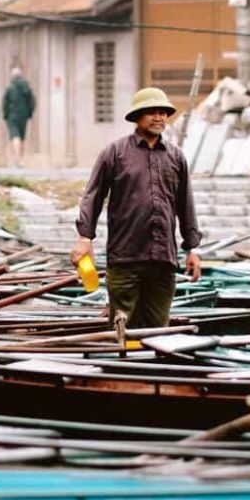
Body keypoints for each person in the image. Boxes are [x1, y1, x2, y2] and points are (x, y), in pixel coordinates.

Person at [71, 85, 201, 330]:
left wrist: (191, 249)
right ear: (136, 117)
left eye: (163, 112)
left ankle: (151, 368)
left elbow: (186, 205)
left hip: (163, 260)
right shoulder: (115, 153)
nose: (158, 117)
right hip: (125, 258)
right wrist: (84, 238)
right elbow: (93, 196)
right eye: (151, 112)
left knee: (158, 331)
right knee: (123, 329)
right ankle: (122, 366)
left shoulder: (175, 157)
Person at [1, 65, 36, 163]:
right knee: (22, 137)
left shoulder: (10, 88)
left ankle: (17, 159)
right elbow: (32, 101)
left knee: (15, 136)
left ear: (12, 76)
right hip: (24, 116)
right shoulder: (27, 87)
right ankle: (21, 159)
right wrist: (29, 112)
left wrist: (5, 114)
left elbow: (5, 103)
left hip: (12, 115)